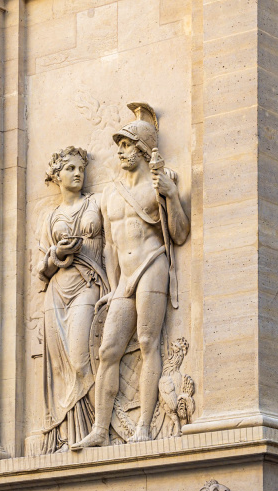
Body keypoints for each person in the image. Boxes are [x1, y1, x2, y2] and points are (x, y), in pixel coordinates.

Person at [72, 103, 190, 449]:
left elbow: (179, 235)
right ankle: (99, 429)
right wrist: (111, 286)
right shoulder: (109, 195)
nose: (120, 151)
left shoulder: (157, 187)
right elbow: (109, 246)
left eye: (126, 145)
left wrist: (170, 195)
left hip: (152, 264)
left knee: (149, 341)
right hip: (124, 279)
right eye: (120, 146)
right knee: (108, 350)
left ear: (142, 150)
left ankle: (143, 426)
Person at [34, 146, 108, 453]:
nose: (78, 174)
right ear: (57, 175)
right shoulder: (48, 217)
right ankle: (67, 434)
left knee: (81, 359)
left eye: (81, 169)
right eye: (71, 169)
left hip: (89, 285)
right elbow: (40, 268)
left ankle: (98, 427)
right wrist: (57, 253)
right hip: (57, 292)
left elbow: (113, 245)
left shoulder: (97, 203)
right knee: (62, 368)